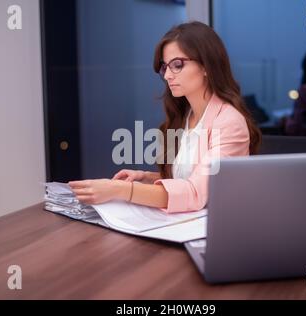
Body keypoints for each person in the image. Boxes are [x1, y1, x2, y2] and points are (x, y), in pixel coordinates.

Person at [68, 21, 261, 213]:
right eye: (165, 67)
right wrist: (145, 177)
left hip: (215, 231)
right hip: (183, 225)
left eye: (177, 65)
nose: (168, 75)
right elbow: (188, 179)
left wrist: (118, 189)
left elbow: (195, 192)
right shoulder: (185, 116)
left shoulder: (229, 122)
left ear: (206, 66)